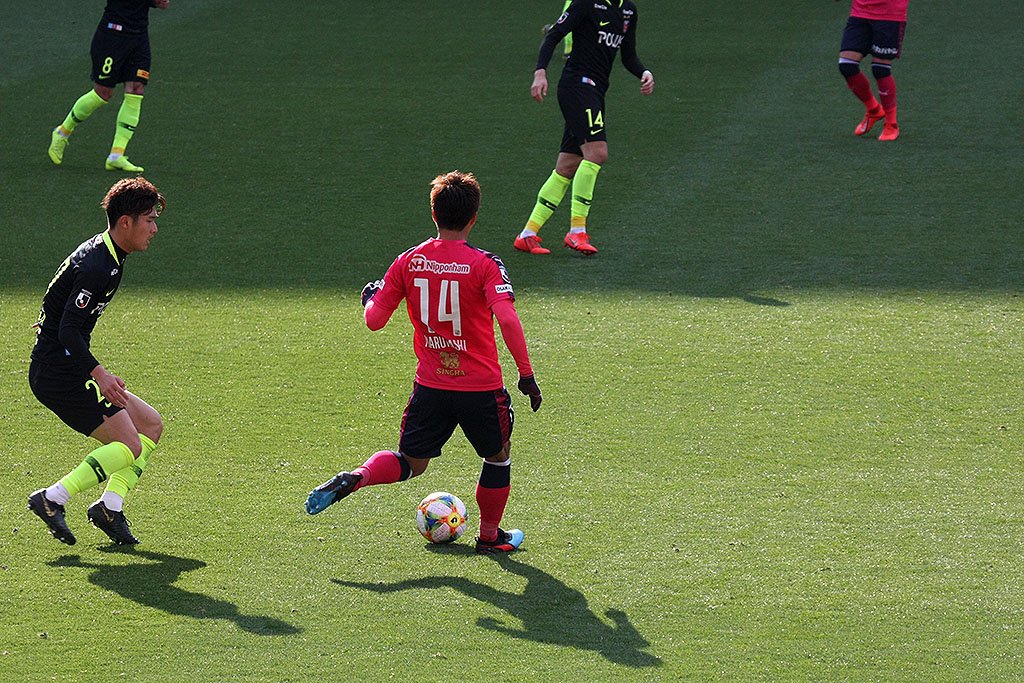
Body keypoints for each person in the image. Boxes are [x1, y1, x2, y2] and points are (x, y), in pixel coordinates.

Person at [306, 171, 543, 554]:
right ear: (474, 217)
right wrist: (527, 375)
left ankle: (359, 477)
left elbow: (374, 320)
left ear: (434, 213)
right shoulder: (485, 264)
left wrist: (370, 298)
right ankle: (489, 537)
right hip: (480, 387)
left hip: (431, 386)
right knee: (497, 457)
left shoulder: (408, 261)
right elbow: (508, 318)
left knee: (411, 463)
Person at [27, 177, 167, 546]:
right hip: (59, 373)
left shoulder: (108, 255)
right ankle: (52, 498)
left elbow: (60, 306)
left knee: (150, 425)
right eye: (149, 220)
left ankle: (110, 508)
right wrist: (100, 374)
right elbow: (68, 331)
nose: (154, 229)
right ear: (126, 222)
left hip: (67, 365)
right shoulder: (98, 266)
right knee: (130, 445)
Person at [515, 0, 654, 256]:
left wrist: (644, 72)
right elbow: (554, 34)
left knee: (567, 165)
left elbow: (628, 56)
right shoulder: (587, 3)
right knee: (597, 152)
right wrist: (540, 72)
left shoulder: (628, 10)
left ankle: (528, 234)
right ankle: (577, 231)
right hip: (577, 87)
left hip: (595, 92)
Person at [47, 0, 171, 172]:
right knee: (102, 93)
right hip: (112, 36)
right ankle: (62, 132)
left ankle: (116, 155)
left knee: (136, 88)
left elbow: (159, 4)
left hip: (138, 38)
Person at [837, 0, 909, 141]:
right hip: (860, 12)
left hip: (889, 15)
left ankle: (891, 124)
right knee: (847, 66)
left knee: (880, 69)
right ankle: (874, 110)